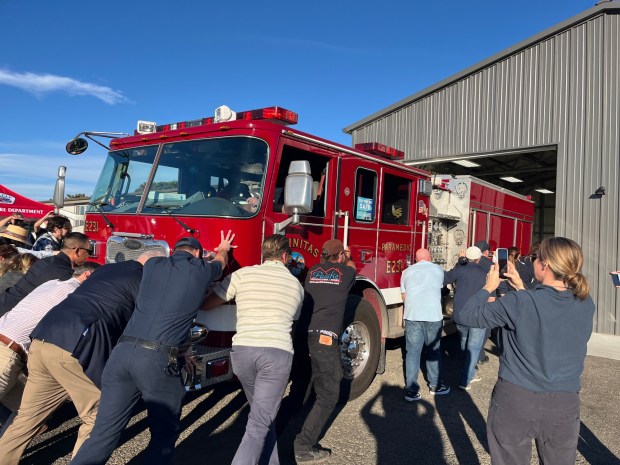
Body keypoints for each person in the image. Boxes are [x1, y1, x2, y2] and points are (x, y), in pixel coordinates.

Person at [70, 232, 234, 465]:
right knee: (163, 434)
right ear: (197, 254)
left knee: (102, 433)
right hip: (157, 358)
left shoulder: (154, 265)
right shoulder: (202, 270)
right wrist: (223, 248)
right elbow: (220, 261)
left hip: (121, 354)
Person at [0, 253, 160, 463]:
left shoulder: (69, 281)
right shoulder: (137, 281)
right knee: (99, 415)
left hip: (39, 342)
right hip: (64, 347)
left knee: (27, 418)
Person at [458, 237, 594, 465]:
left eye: (536, 257)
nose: (534, 261)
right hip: (564, 402)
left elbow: (465, 315)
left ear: (546, 264)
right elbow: (547, 313)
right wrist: (521, 287)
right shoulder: (585, 302)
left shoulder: (520, 303)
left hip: (516, 399)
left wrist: (488, 286)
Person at [202, 234, 304, 465]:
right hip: (277, 353)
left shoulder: (243, 275)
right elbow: (292, 322)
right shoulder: (296, 286)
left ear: (263, 254)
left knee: (262, 417)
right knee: (260, 421)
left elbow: (207, 304)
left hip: (243, 352)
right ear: (285, 256)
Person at [0, 262, 99, 437]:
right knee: (28, 414)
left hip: (7, 341)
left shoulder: (51, 283)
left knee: (30, 414)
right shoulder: (75, 294)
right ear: (88, 276)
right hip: (7, 351)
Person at [293, 239, 355, 463]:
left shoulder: (311, 273)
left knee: (305, 384)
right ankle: (303, 446)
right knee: (329, 395)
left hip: (304, 333)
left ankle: (283, 427)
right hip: (325, 338)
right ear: (340, 256)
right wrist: (347, 257)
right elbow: (352, 269)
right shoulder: (346, 273)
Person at [400, 248, 450, 403]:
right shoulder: (438, 269)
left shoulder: (406, 272)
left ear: (416, 259)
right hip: (432, 315)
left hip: (412, 315)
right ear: (429, 257)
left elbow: (404, 296)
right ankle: (435, 386)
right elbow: (443, 288)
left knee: (412, 353)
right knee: (433, 351)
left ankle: (411, 390)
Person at [0, 232, 91, 316]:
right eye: (89, 251)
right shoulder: (64, 273)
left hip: (5, 303)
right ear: (77, 251)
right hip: (12, 315)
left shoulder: (46, 261)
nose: (89, 256)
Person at [444, 246, 487, 390]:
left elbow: (446, 277)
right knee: (473, 348)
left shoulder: (460, 269)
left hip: (460, 315)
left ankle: (467, 370)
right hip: (477, 315)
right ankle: (465, 379)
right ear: (479, 258)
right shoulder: (484, 273)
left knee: (464, 343)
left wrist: (460, 262)